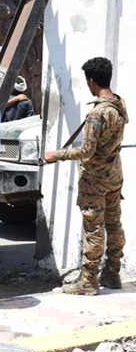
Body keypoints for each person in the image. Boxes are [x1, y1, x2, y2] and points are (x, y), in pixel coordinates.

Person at [45, 57, 128, 295]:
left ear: (91, 81)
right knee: (114, 224)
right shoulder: (119, 105)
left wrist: (57, 154)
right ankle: (113, 273)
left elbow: (86, 151)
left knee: (94, 228)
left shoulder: (97, 114)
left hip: (95, 180)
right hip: (114, 175)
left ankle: (89, 280)